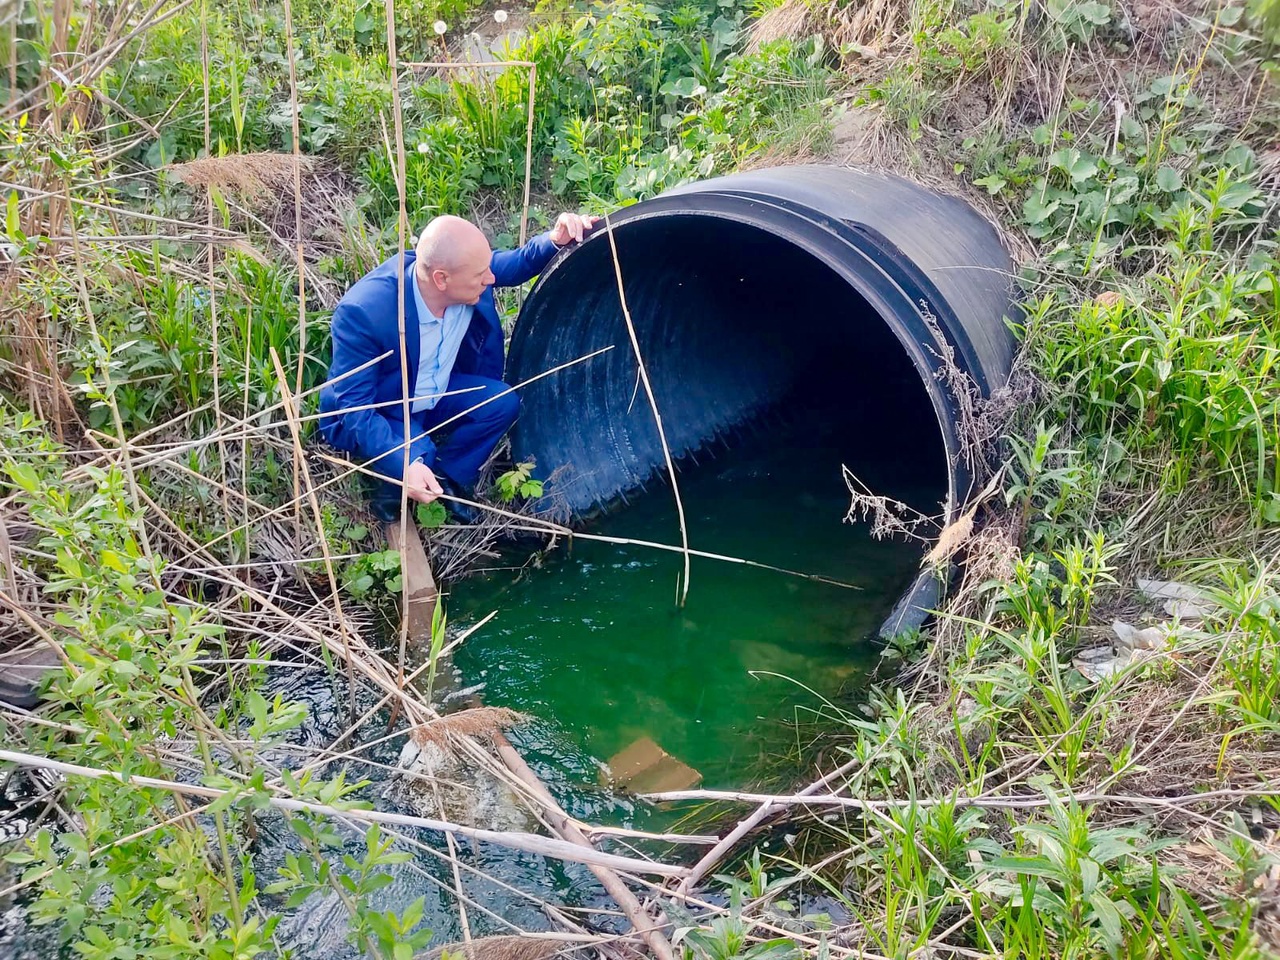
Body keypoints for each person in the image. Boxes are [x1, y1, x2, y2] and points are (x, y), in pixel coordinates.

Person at [319, 212, 598, 523]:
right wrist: (405, 461)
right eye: (481, 275)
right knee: (418, 450)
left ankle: (448, 478)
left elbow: (518, 263)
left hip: (435, 392)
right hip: (388, 405)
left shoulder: (466, 274)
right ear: (441, 279)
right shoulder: (365, 313)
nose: (491, 279)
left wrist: (555, 239)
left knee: (500, 403)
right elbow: (355, 409)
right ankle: (391, 482)